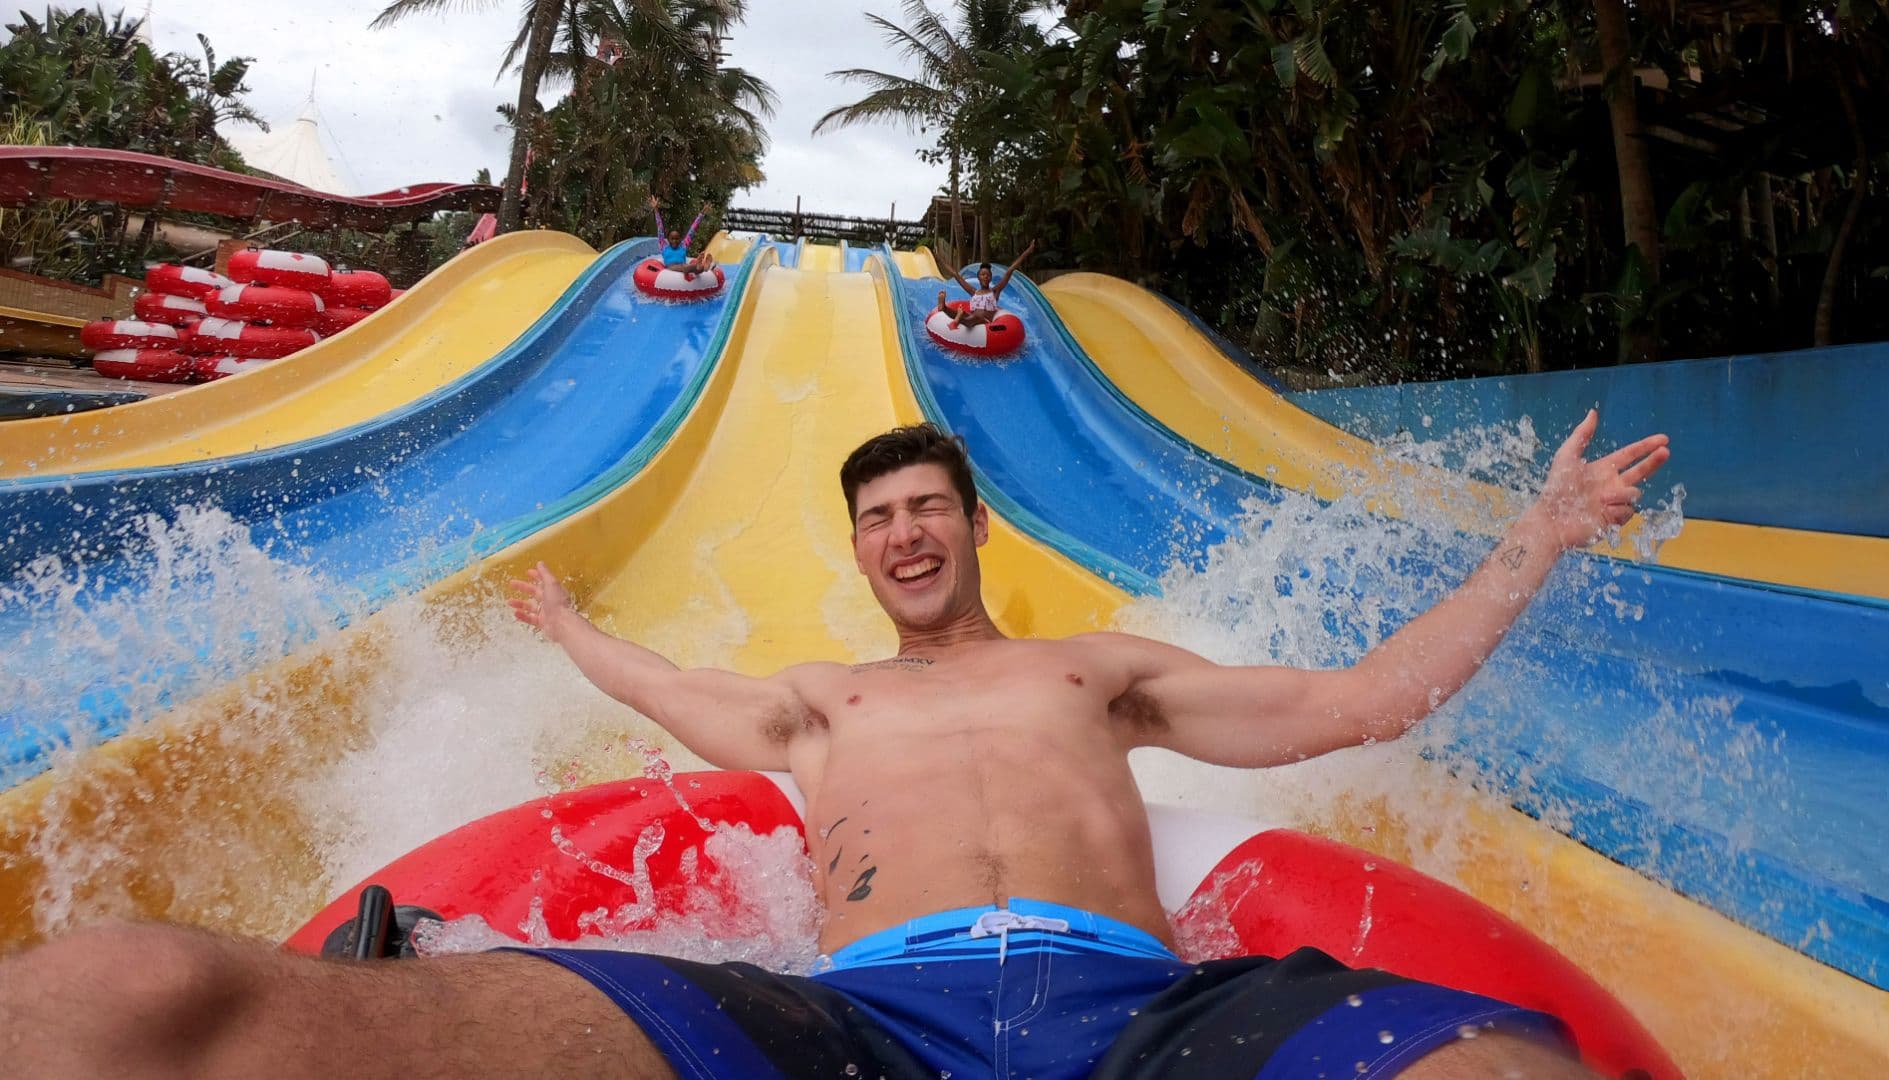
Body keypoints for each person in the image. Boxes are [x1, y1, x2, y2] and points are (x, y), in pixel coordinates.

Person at [0, 415, 1668, 1079]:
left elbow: (1357, 704)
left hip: (1146, 1013)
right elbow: (664, 698)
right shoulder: (820, 704)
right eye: (877, 520)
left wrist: (1533, 539)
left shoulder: (1103, 673)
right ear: (860, 551)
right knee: (127, 994)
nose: (904, 538)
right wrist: (570, 632)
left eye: (927, 509)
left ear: (970, 528)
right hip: (858, 1019)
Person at [936, 240, 1037, 329]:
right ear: (978, 277)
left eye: (988, 275)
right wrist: (940, 259)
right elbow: (956, 275)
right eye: (983, 274)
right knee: (965, 315)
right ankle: (944, 308)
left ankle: (958, 318)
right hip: (971, 318)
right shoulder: (974, 292)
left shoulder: (995, 291)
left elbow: (1010, 270)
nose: (985, 276)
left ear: (991, 278)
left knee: (973, 318)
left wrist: (1028, 251)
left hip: (984, 322)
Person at [649, 196, 717, 277]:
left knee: (690, 268)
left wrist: (702, 213)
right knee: (685, 267)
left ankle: (703, 267)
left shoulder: (683, 245)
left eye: (677, 239)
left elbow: (693, 229)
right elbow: (660, 227)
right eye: (672, 239)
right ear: (668, 239)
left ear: (680, 239)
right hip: (671, 269)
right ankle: (700, 266)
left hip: (685, 268)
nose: (674, 241)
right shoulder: (663, 246)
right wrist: (656, 209)